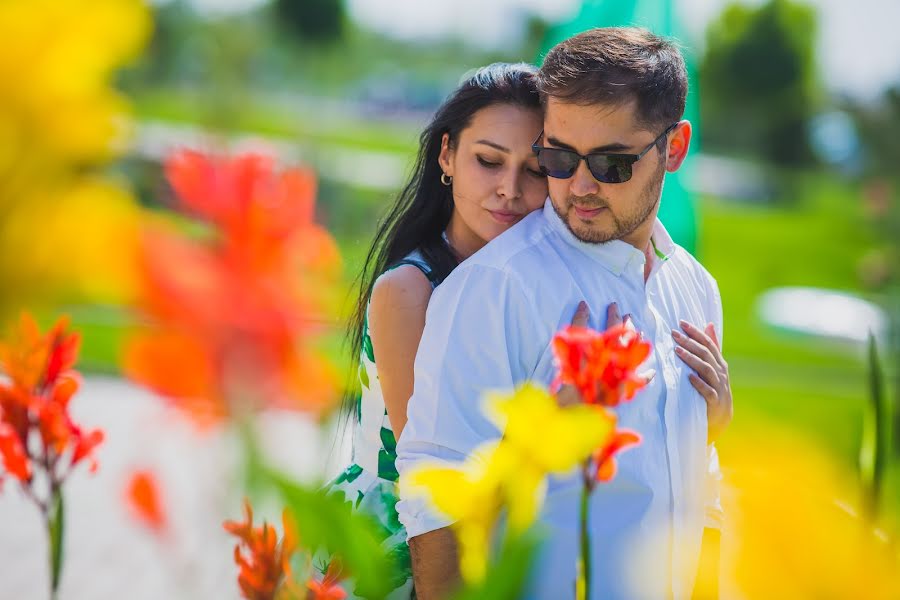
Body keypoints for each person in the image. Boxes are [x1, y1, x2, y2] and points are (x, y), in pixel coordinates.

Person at [396, 27, 733, 599]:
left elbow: (702, 490)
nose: (579, 186)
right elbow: (436, 499)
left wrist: (708, 427)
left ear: (673, 149)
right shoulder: (498, 287)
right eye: (557, 156)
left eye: (611, 163)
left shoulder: (696, 289)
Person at [326, 62, 549, 597]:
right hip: (400, 546)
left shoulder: (531, 284)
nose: (510, 190)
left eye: (537, 169)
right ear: (447, 155)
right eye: (488, 161)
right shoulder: (409, 290)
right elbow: (427, 469)